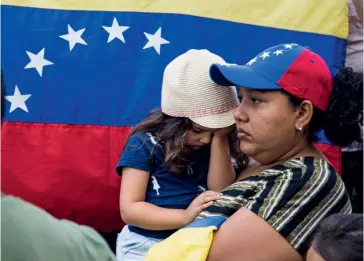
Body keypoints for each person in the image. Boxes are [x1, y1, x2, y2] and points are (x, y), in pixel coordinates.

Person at [145, 43, 362, 261]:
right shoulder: (258, 163)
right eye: (241, 98)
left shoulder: (309, 180)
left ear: (302, 113)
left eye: (256, 100)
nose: (238, 114)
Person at [115, 49, 247, 261]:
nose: (205, 139)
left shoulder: (213, 144)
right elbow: (130, 209)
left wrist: (221, 139)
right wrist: (184, 216)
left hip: (195, 243)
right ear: (174, 121)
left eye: (214, 131)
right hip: (145, 244)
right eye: (198, 130)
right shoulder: (145, 143)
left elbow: (220, 190)